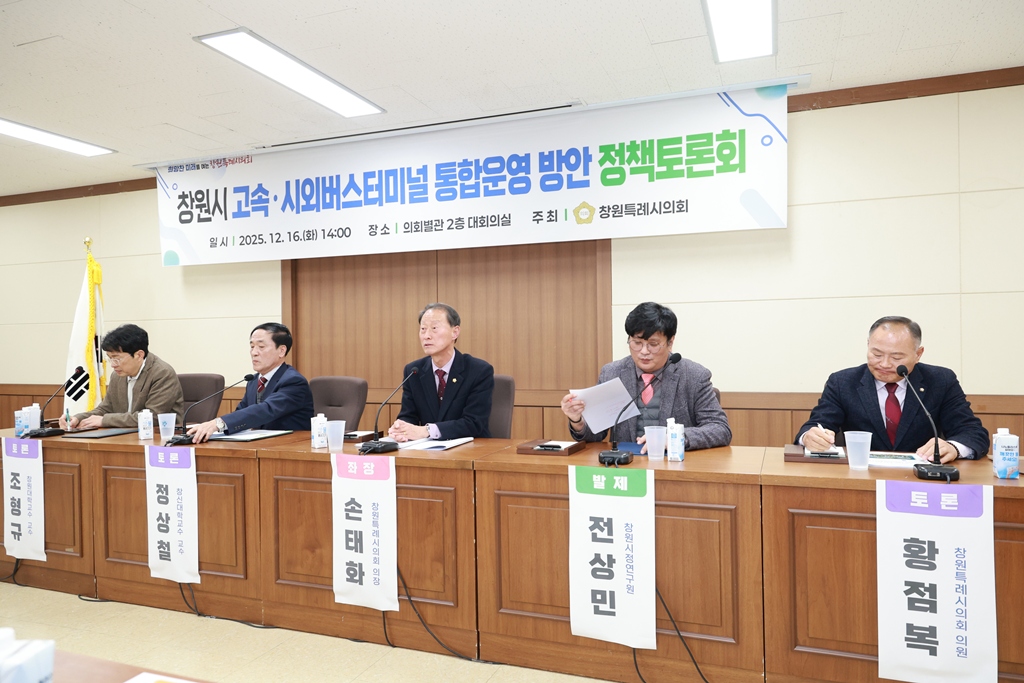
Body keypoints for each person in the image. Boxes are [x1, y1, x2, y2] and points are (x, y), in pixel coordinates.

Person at [796, 316, 989, 463]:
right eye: (876, 354)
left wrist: (953, 447)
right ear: (868, 345)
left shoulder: (940, 381)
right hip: (862, 474)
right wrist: (809, 437)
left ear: (918, 354)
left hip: (922, 477)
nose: (885, 364)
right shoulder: (843, 382)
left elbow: (972, 433)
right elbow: (816, 425)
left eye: (896, 358)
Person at [560, 302, 731, 451]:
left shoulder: (694, 376)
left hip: (674, 465)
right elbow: (595, 435)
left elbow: (720, 429)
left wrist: (674, 438)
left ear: (670, 342)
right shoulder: (612, 373)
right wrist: (577, 420)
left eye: (653, 344)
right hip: (626, 466)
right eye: (637, 343)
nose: (643, 351)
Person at [187, 323, 314, 443]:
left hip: (288, 447)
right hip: (259, 445)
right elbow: (242, 413)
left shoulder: (293, 381)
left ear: (281, 351)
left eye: (261, 347)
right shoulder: (253, 380)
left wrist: (219, 423)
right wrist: (212, 427)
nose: (254, 353)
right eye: (252, 346)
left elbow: (266, 410)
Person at [388, 303, 493, 441]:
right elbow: (408, 415)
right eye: (423, 329)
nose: (427, 336)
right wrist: (401, 428)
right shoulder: (414, 371)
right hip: (427, 449)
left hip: (471, 448)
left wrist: (427, 431)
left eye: (434, 328)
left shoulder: (478, 371)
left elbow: (474, 423)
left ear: (455, 332)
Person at [60, 324, 183, 429]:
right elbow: (105, 409)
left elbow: (153, 417)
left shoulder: (162, 373)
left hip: (158, 437)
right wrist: (78, 418)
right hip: (124, 435)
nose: (113, 365)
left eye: (117, 358)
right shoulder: (118, 375)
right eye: (110, 358)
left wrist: (105, 421)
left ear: (139, 355)